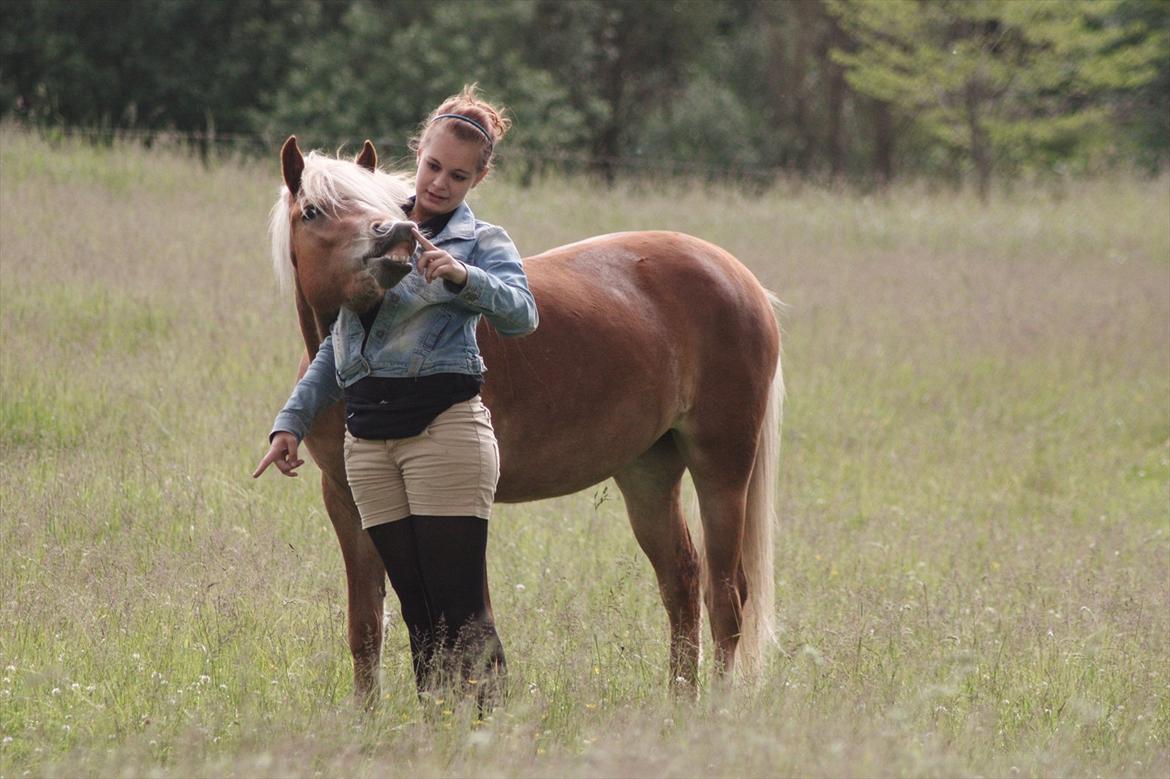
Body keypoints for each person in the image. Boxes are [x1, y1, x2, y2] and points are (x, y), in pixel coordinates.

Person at [253, 85, 538, 707]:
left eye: (458, 175)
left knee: (461, 604)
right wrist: (291, 421)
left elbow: (522, 313)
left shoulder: (482, 241)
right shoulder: (377, 229)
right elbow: (340, 345)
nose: (438, 183)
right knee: (416, 611)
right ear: (419, 153)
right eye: (433, 165)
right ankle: (443, 738)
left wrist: (464, 278)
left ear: (478, 177)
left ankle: (493, 737)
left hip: (445, 433)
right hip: (373, 443)